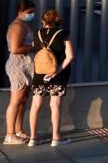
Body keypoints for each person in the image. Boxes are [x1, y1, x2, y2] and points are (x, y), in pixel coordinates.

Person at [27, 8, 75, 147]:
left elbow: (35, 51)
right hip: (57, 76)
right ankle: (56, 138)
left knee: (35, 105)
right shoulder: (64, 33)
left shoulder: (37, 34)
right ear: (58, 21)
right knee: (55, 105)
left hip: (39, 74)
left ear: (43, 21)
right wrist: (56, 71)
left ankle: (33, 138)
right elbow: (70, 56)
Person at [3, 0, 36, 146]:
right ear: (20, 12)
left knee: (22, 100)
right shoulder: (17, 26)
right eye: (29, 12)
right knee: (16, 100)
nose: (32, 15)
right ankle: (9, 135)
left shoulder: (25, 24)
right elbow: (16, 49)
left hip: (26, 66)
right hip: (18, 66)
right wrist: (34, 46)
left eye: (33, 12)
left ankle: (18, 130)